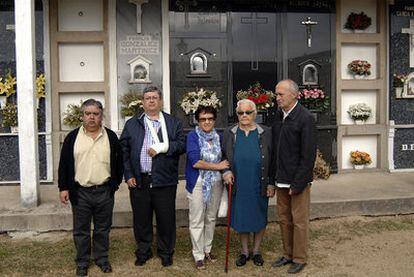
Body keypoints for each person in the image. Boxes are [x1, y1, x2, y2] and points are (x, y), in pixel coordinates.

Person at [120, 86, 185, 267]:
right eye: (147, 98)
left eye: (154, 97)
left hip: (165, 180)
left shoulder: (173, 123)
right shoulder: (133, 123)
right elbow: (123, 150)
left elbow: (181, 145)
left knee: (166, 218)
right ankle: (143, 250)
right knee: (141, 219)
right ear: (143, 102)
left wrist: (163, 147)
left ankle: (166, 251)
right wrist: (128, 174)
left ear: (161, 101)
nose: (151, 101)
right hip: (139, 180)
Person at [58, 99, 123, 277]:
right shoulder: (72, 137)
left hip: (104, 191)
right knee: (81, 231)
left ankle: (102, 259)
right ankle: (82, 262)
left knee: (103, 229)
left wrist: (114, 184)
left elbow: (119, 162)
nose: (92, 117)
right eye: (88, 114)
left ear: (101, 116)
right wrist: (64, 188)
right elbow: (64, 164)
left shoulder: (110, 137)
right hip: (80, 193)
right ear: (82, 116)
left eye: (95, 114)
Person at [270, 79, 317, 274]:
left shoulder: (305, 118)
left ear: (294, 95)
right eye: (276, 94)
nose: (277, 98)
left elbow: (308, 156)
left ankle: (299, 257)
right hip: (281, 178)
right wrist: (272, 179)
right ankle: (288, 254)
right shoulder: (278, 116)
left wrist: (298, 183)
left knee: (299, 220)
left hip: (297, 181)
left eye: (281, 94)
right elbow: (274, 151)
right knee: (284, 219)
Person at [222, 99, 275, 267]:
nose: (244, 115)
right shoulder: (229, 132)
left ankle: (257, 251)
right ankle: (245, 252)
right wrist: (226, 171)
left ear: (255, 114)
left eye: (248, 112)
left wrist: (271, 183)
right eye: (240, 113)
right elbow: (222, 156)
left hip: (258, 182)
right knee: (242, 217)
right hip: (239, 183)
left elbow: (272, 160)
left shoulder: (265, 132)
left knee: (259, 215)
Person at [185, 105, 230, 270]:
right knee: (197, 219)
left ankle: (207, 249)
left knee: (211, 218)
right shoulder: (192, 136)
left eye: (210, 118)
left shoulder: (218, 136)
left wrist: (224, 170)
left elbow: (225, 158)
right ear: (198, 120)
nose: (207, 122)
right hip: (197, 183)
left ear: (214, 120)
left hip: (216, 182)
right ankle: (198, 255)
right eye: (203, 119)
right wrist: (218, 167)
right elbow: (195, 161)